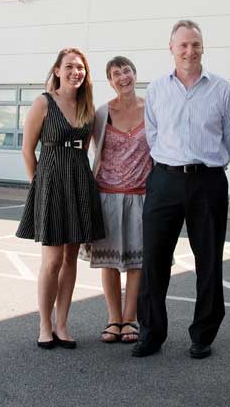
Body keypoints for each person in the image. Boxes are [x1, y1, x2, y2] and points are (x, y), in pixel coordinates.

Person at [133, 20, 230, 359]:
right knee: (153, 259)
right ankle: (151, 333)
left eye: (195, 44)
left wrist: (208, 166)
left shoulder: (222, 89)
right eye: (183, 45)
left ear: (203, 46)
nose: (189, 51)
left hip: (207, 181)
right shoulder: (156, 90)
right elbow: (153, 135)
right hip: (164, 179)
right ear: (172, 49)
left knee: (208, 261)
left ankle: (203, 334)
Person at [16, 47, 105, 349]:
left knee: (71, 259)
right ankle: (44, 325)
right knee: (52, 260)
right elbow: (28, 150)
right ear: (57, 70)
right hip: (51, 185)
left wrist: (93, 179)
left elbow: (99, 150)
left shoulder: (87, 106)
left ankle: (63, 324)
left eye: (80, 68)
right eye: (69, 67)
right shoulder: (44, 103)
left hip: (79, 185)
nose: (75, 72)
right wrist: (37, 186)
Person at [82, 56, 152, 344]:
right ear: (109, 81)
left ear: (135, 75)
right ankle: (113, 319)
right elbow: (84, 152)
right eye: (115, 74)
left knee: (137, 263)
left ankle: (130, 319)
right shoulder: (100, 114)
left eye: (126, 71)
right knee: (109, 263)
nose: (122, 77)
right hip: (106, 196)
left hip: (141, 196)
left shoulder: (152, 110)